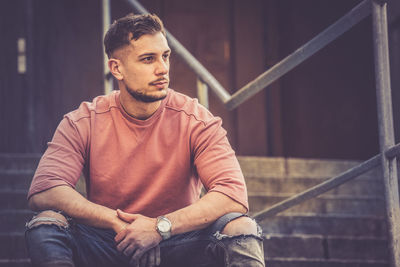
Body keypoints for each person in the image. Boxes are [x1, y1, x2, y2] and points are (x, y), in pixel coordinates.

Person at [25, 13, 265, 267]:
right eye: (148, 59)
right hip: (109, 243)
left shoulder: (196, 119)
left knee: (242, 227)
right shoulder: (84, 120)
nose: (162, 68)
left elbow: (233, 194)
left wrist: (158, 227)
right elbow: (45, 189)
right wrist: (117, 223)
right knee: (46, 224)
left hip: (179, 242)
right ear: (117, 68)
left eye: (165, 56)